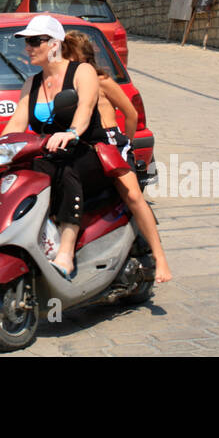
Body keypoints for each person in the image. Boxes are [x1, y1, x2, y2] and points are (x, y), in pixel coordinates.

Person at [0, 15, 108, 280]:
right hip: (49, 150)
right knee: (13, 177)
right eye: (27, 42)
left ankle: (66, 253)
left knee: (67, 170)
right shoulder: (31, 83)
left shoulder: (81, 72)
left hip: (87, 149)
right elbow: (17, 121)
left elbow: (85, 109)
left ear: (55, 44)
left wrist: (71, 133)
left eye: (35, 41)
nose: (28, 48)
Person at [61, 31, 172, 283]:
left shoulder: (102, 82)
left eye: (74, 59)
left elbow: (130, 113)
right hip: (85, 144)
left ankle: (160, 257)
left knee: (132, 195)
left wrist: (127, 144)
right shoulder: (66, 84)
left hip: (112, 143)